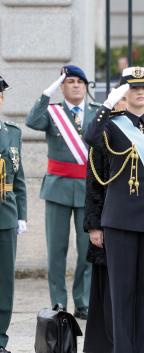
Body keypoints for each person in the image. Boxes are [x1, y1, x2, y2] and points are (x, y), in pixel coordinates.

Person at [84, 66, 144, 353]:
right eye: (133, 87)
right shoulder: (111, 126)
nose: (140, 92)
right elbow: (89, 137)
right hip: (120, 222)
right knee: (122, 294)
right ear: (124, 92)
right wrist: (106, 105)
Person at [25, 65, 97, 319]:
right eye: (70, 81)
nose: (76, 85)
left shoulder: (97, 114)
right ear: (62, 87)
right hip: (57, 189)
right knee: (57, 250)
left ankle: (83, 301)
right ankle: (58, 301)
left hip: (88, 192)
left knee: (87, 248)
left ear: (86, 87)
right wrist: (47, 93)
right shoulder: (52, 113)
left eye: (80, 81)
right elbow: (32, 121)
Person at [0, 75, 27, 353]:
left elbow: (18, 179)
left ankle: (0, 339)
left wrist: (22, 215)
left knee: (4, 283)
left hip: (5, 215)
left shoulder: (12, 132)